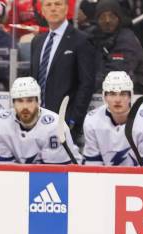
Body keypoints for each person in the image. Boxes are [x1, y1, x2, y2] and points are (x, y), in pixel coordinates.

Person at [29, 0, 95, 145]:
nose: (53, 8)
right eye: (48, 5)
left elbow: (87, 83)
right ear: (42, 11)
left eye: (58, 4)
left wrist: (73, 120)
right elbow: (33, 81)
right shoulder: (37, 42)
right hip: (36, 121)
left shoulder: (81, 40)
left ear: (66, 9)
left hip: (64, 123)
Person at [0, 76, 81, 164]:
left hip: (71, 175)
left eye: (30, 100)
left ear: (38, 101)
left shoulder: (54, 127)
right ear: (13, 103)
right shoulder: (3, 124)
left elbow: (54, 175)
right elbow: (6, 169)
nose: (25, 107)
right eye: (20, 101)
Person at [82, 71, 143, 167]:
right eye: (112, 94)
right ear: (104, 97)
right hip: (105, 179)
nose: (117, 99)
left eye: (123, 94)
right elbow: (93, 165)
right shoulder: (92, 120)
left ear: (130, 96)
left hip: (138, 180)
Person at [90, 0, 143, 93]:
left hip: (132, 94)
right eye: (102, 17)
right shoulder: (92, 37)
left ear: (119, 18)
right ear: (97, 20)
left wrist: (88, 84)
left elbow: (118, 74)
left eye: (112, 16)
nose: (107, 20)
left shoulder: (127, 39)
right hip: (101, 93)